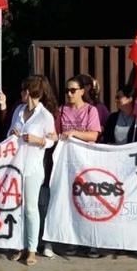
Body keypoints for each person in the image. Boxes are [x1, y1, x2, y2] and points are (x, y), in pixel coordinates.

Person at [7, 76, 57, 266]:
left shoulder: (45, 115)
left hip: (33, 166)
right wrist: (12, 133)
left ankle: (32, 248)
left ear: (29, 92)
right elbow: (10, 131)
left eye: (23, 90)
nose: (21, 93)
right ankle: (18, 245)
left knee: (30, 208)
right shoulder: (18, 111)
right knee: (16, 207)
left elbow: (52, 140)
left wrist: (39, 140)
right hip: (15, 165)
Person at [52, 74, 103, 258]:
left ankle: (92, 242)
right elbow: (55, 134)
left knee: (89, 202)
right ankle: (73, 241)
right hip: (67, 164)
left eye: (73, 90)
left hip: (87, 162)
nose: (69, 93)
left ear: (82, 91)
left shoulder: (91, 111)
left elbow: (93, 135)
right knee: (71, 203)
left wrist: (73, 132)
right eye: (67, 90)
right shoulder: (62, 110)